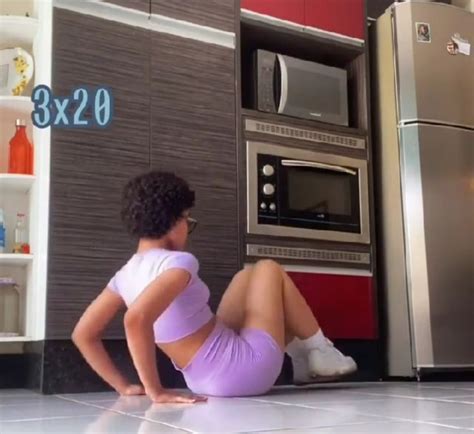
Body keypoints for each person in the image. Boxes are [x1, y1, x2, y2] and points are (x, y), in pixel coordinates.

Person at [72, 171, 357, 404]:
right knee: (268, 268)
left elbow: (83, 334)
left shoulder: (125, 274)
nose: (188, 227)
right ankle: (320, 350)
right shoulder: (179, 263)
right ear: (174, 221)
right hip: (243, 372)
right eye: (188, 220)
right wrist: (155, 390)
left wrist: (123, 386)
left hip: (202, 379)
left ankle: (305, 359)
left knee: (247, 277)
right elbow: (135, 319)